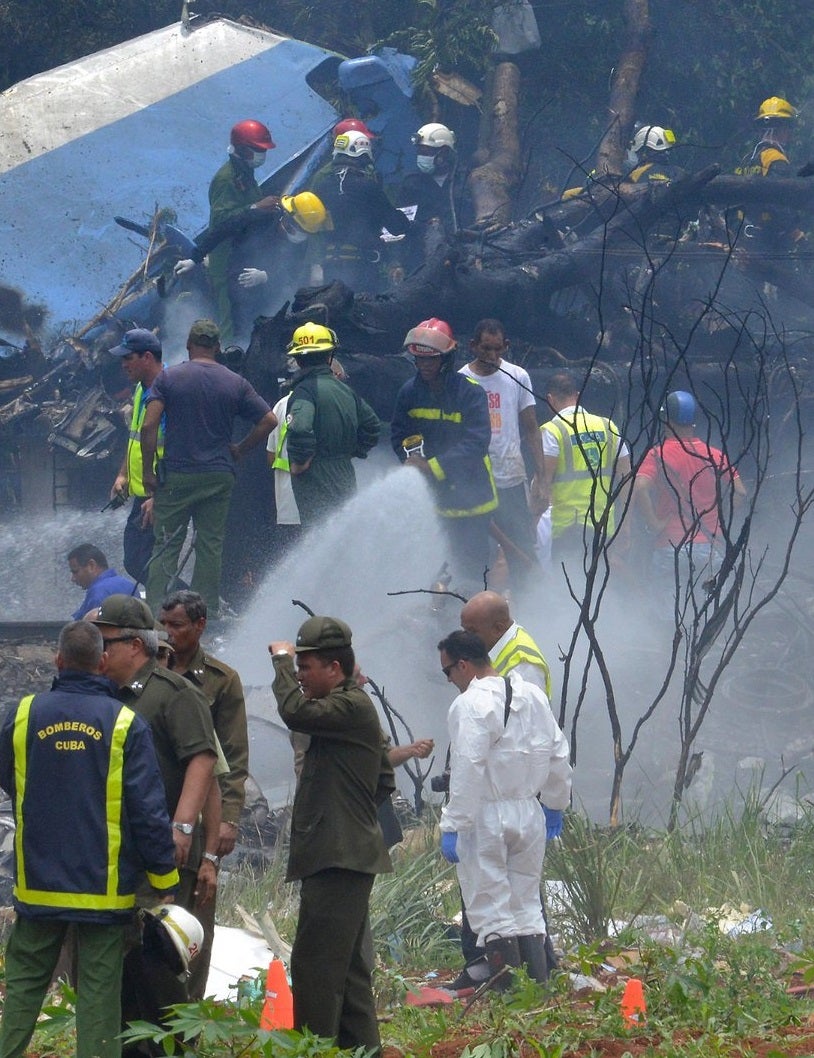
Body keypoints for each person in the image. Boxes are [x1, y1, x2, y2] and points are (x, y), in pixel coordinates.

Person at [0, 620, 179, 1058]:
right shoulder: (124, 723)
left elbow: (9, 777)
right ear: (101, 661)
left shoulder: (22, 715)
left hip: (38, 882)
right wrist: (163, 878)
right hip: (104, 890)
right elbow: (147, 810)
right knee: (100, 996)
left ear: (58, 660)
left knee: (22, 986)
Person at [269, 616, 393, 1053]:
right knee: (349, 972)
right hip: (345, 853)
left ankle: (314, 1049)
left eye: (305, 667)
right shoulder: (347, 711)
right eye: (297, 667)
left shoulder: (349, 706)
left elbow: (294, 711)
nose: (299, 675)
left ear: (335, 668)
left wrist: (280, 662)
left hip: (338, 857)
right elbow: (383, 778)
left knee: (315, 968)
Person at [437, 630, 572, 988]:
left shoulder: (469, 704)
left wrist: (453, 823)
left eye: (448, 671)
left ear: (463, 665)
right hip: (529, 813)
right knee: (526, 903)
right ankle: (536, 986)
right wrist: (555, 803)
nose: (449, 680)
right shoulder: (532, 695)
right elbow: (558, 751)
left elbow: (467, 767)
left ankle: (508, 990)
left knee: (490, 906)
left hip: (486, 817)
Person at [140, 318, 277, 616]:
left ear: (189, 345)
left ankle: (155, 612)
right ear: (217, 347)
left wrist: (148, 472)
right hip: (218, 475)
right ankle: (204, 613)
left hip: (176, 476)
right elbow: (269, 420)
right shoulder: (235, 382)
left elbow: (149, 426)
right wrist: (241, 448)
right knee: (210, 544)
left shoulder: (168, 378)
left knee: (167, 543)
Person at [158, 589, 249, 1000]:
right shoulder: (150, 670)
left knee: (196, 913)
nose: (169, 633)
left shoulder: (219, 680)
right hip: (158, 808)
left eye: (177, 625)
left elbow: (232, 754)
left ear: (200, 626)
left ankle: (189, 1008)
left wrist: (228, 818)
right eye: (164, 624)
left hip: (200, 816)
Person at [391, 318, 497, 593]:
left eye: (431, 360)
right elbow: (399, 434)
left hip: (472, 502)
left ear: (447, 359)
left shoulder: (470, 393)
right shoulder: (409, 393)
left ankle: (473, 614)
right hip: (432, 502)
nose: (424, 365)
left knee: (472, 576)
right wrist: (409, 460)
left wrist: (433, 467)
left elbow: (477, 443)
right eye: (419, 359)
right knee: (435, 571)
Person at [173, 119, 279, 345]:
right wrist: (255, 208)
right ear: (243, 149)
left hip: (241, 254)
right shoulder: (226, 180)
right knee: (228, 317)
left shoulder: (244, 173)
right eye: (258, 150)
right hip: (225, 258)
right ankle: (228, 355)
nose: (262, 155)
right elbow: (222, 222)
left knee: (243, 313)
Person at [174, 190, 328, 347]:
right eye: (298, 230)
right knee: (239, 329)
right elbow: (223, 230)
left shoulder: (299, 244)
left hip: (269, 294)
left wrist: (267, 276)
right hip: (237, 283)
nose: (300, 236)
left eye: (305, 233)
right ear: (288, 219)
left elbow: (292, 271)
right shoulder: (260, 218)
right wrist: (195, 258)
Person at [459, 319, 545, 592]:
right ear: (473, 346)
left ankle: (526, 605)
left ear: (506, 346)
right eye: (486, 348)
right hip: (475, 481)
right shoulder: (461, 380)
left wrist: (542, 479)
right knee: (474, 553)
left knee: (522, 546)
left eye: (498, 349)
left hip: (511, 478)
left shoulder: (517, 376)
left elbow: (531, 428)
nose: (492, 355)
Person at [635, 389, 746, 596]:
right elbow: (739, 491)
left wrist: (654, 523)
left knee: (667, 611)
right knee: (711, 609)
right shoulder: (714, 454)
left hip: (671, 545)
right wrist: (719, 522)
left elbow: (640, 487)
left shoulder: (657, 455)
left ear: (665, 420)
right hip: (710, 547)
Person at [282, 322, 381, 526]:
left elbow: (300, 426)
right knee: (345, 530)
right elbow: (372, 426)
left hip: (316, 476)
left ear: (298, 360)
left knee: (318, 530)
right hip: (344, 471)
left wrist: (300, 461)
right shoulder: (346, 390)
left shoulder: (304, 392)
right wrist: (352, 451)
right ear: (329, 356)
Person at [540, 370, 631, 570]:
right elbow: (626, 479)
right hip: (603, 526)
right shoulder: (608, 426)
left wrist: (533, 522)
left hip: (566, 529)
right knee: (599, 583)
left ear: (550, 399)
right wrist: (626, 524)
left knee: (569, 584)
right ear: (577, 395)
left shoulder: (552, 431)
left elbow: (542, 484)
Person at [309, 130, 411, 292]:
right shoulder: (367, 187)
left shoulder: (322, 186)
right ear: (363, 155)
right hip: (361, 269)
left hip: (329, 268)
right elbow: (397, 226)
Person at [108, 328, 166, 584]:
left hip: (159, 493)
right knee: (138, 561)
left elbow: (176, 449)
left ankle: (191, 603)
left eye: (128, 358)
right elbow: (135, 438)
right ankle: (181, 602)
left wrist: (158, 497)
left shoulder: (167, 391)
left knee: (142, 561)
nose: (123, 364)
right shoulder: (142, 390)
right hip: (144, 493)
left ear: (147, 357)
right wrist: (122, 474)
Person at [397, 122, 463, 270]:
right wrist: (396, 262)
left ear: (444, 152)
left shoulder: (464, 180)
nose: (422, 157)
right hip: (419, 260)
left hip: (460, 257)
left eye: (427, 153)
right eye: (420, 152)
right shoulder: (411, 184)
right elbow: (399, 225)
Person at [67, 543, 136, 620]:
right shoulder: (129, 585)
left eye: (75, 571)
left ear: (91, 565)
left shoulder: (98, 592)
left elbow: (91, 626)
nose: (73, 579)